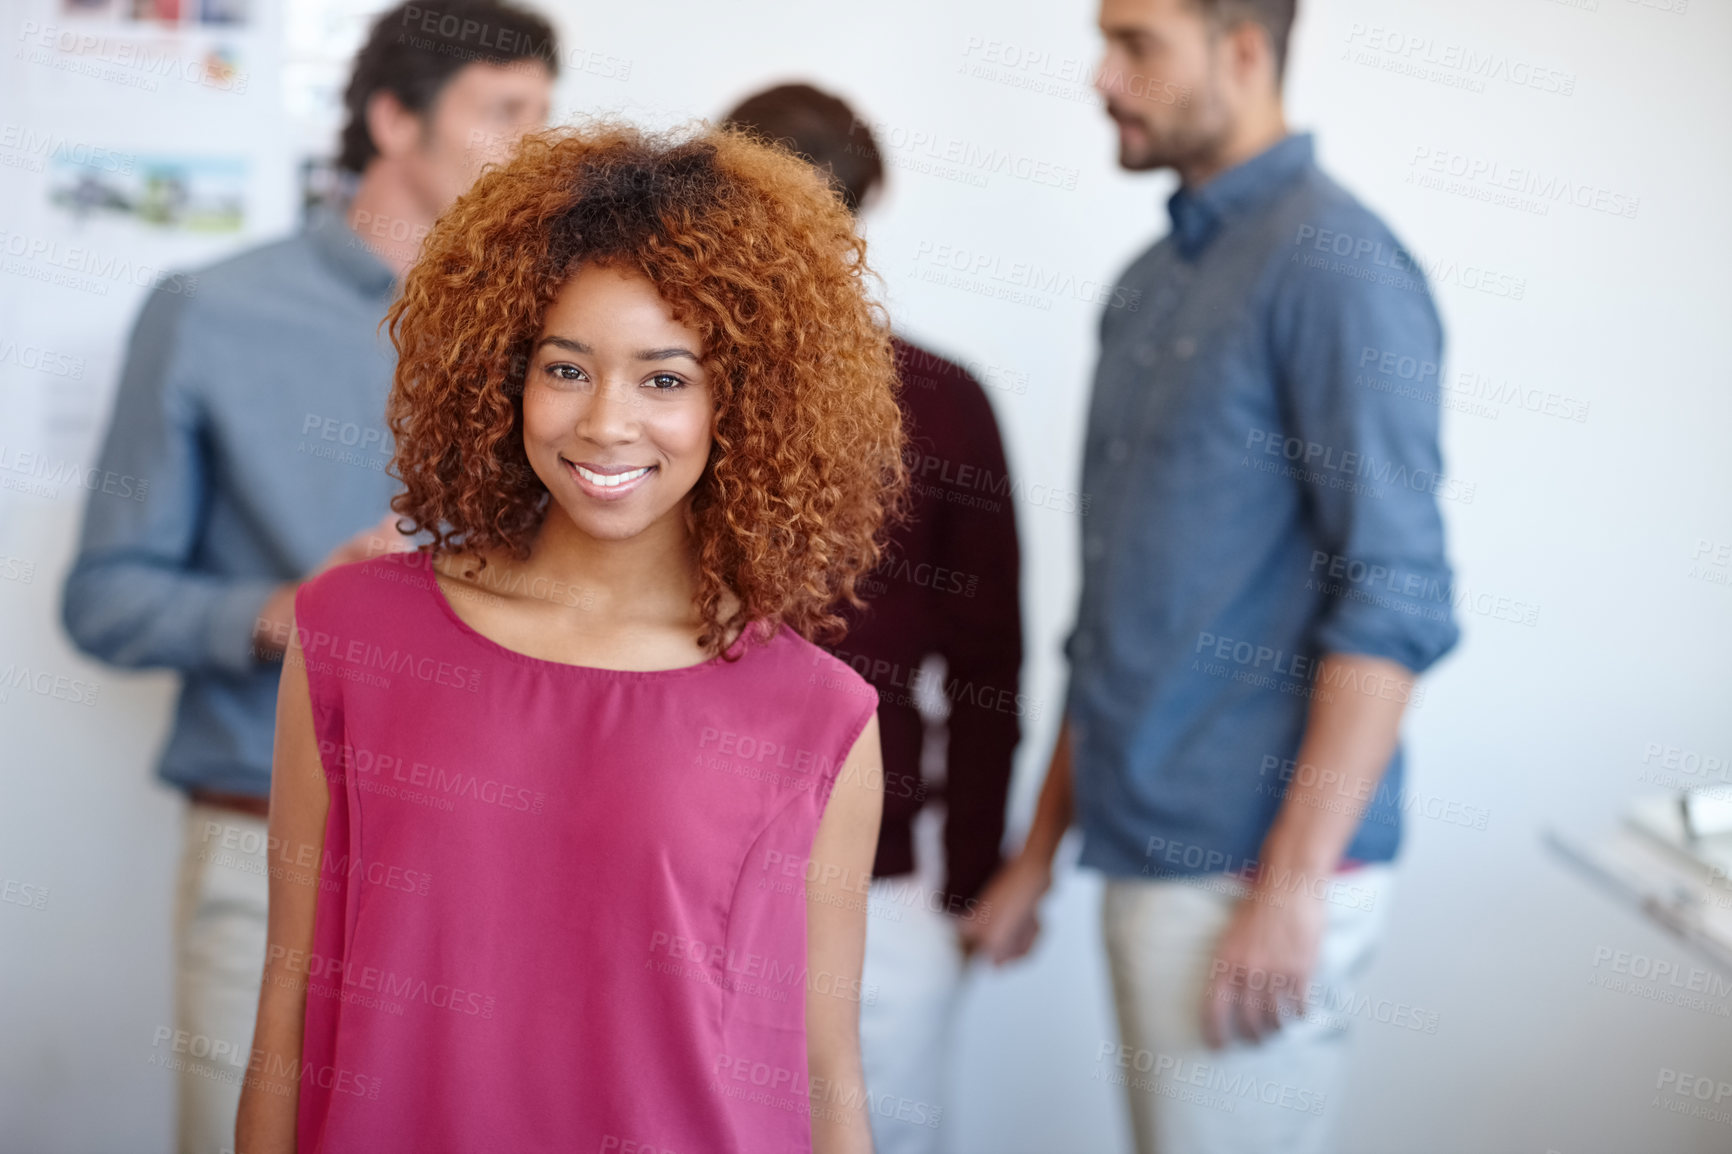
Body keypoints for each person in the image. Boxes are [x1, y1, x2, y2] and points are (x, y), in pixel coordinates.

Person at [235, 119, 907, 1154]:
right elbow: (287, 997)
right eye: (565, 368)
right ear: (504, 375)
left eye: (665, 378)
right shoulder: (352, 636)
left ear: (747, 402)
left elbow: (823, 1064)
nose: (605, 422)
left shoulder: (817, 714)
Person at [963, 1, 1461, 1152]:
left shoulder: (1338, 267)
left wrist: (1290, 884)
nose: (1101, 76)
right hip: (1144, 842)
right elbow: (1124, 612)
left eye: (1136, 44)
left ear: (1243, 51)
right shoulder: (1149, 284)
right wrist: (1038, 852)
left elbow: (1397, 593)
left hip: (1251, 868)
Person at [57, 3, 556, 1149]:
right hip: (266, 845)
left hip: (503, 867)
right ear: (391, 117)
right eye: (502, 113)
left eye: (544, 114)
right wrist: (294, 613)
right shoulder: (207, 312)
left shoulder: (552, 333)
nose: (531, 147)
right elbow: (103, 594)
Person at [719, 83, 1024, 1154]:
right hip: (701, 855)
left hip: (881, 870)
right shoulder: (672, 384)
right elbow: (992, 660)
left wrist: (972, 875)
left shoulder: (936, 398)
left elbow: (988, 656)